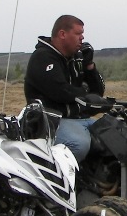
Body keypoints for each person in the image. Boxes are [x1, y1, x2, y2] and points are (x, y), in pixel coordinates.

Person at [24, 15, 105, 162]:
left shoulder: (77, 58)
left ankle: (101, 179)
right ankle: (57, 180)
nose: (82, 38)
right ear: (62, 34)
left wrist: (89, 65)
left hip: (79, 118)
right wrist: (85, 95)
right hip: (51, 121)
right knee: (78, 144)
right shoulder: (42, 57)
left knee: (115, 136)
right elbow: (60, 91)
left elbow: (98, 91)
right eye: (78, 33)